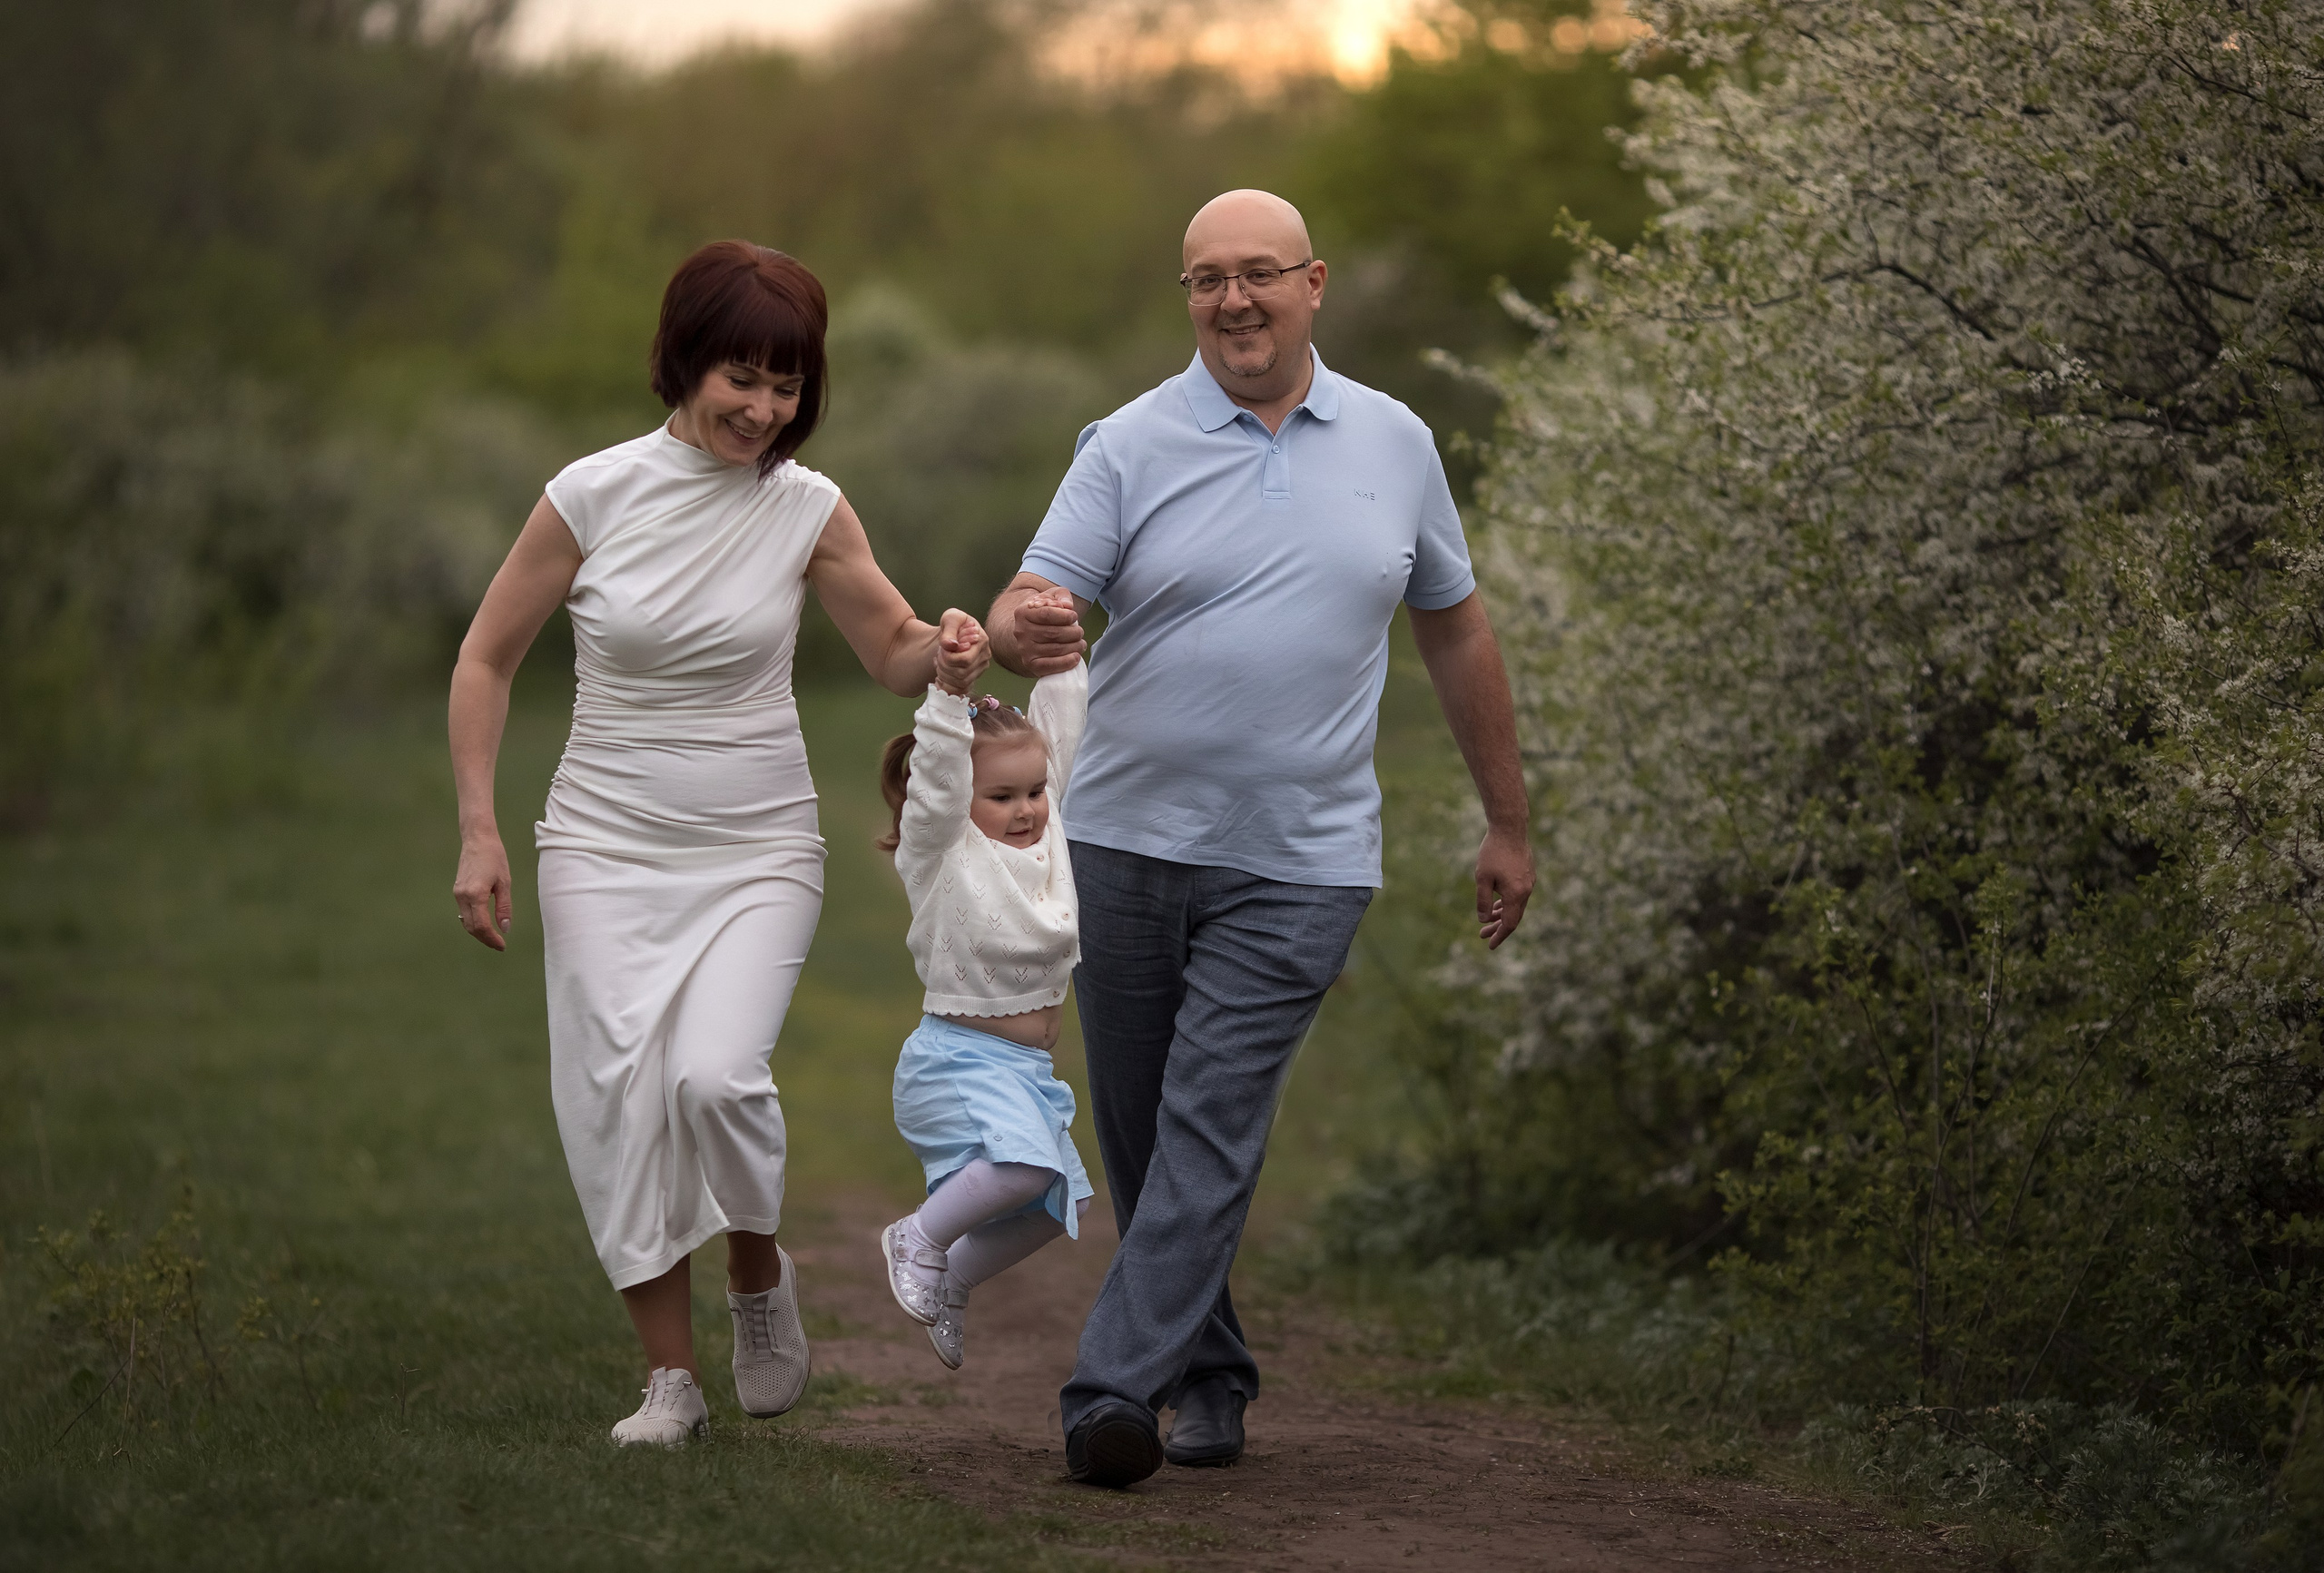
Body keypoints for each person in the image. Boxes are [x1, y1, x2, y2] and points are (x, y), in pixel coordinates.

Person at [987, 190, 1537, 1487]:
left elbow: (1454, 624)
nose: (1233, 300)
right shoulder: (1129, 442)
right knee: (1146, 1134)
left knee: (1210, 1117)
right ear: (1187, 296)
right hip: (1122, 840)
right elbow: (1028, 600)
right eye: (1206, 279)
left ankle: (1112, 1393)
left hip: (1303, 855)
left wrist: (1508, 817)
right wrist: (1028, 625)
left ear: (1313, 283)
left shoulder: (1397, 441)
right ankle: (1213, 1373)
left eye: (1259, 274)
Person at [449, 240, 984, 1448]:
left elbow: (891, 645)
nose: (764, 409)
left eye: (788, 385)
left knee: (715, 1077)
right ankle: (671, 1384)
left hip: (757, 847)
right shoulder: (591, 495)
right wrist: (480, 828)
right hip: (600, 846)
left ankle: (754, 1266)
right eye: (743, 377)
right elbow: (485, 658)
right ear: (684, 359)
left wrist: (945, 651)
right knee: (618, 1102)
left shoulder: (807, 507)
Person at [871, 590, 1097, 1370]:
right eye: (1001, 797)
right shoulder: (943, 848)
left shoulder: (1046, 831)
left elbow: (1061, 736)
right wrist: (948, 689)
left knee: (1050, 1206)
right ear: (956, 804)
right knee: (1028, 1169)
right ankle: (918, 1236)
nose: (1027, 808)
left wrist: (1061, 660)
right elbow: (940, 776)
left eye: (1033, 791)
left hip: (1026, 1069)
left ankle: (955, 1277)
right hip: (960, 1059)